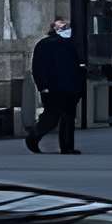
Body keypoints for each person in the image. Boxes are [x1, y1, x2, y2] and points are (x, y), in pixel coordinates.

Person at [27, 16, 84, 154]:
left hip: (61, 87)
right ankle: (36, 137)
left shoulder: (65, 44)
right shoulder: (53, 44)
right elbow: (39, 68)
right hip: (59, 87)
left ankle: (65, 146)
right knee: (58, 117)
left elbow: (76, 66)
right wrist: (42, 85)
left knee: (63, 117)